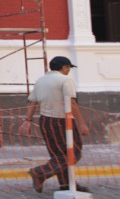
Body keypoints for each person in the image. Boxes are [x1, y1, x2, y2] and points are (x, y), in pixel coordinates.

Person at [20, 56, 90, 193]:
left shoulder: (40, 80)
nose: (69, 70)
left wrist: (27, 121)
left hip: (45, 121)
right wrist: (82, 124)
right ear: (64, 67)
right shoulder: (65, 80)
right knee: (73, 152)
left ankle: (66, 184)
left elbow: (32, 102)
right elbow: (72, 103)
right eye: (69, 68)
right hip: (61, 121)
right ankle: (40, 172)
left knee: (57, 154)